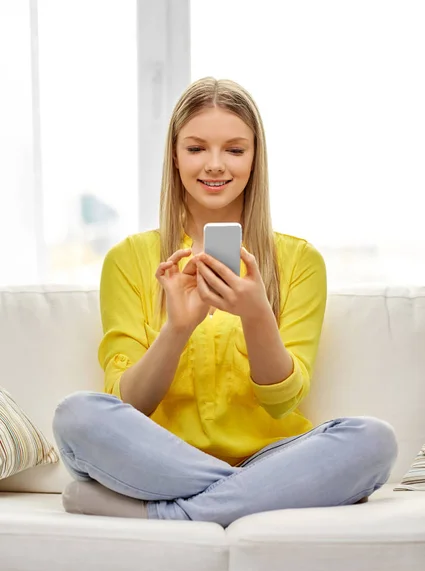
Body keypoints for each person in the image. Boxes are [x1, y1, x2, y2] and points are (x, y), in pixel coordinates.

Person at [52, 77, 398, 527]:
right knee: (77, 415)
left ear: (256, 159)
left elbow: (282, 404)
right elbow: (129, 406)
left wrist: (256, 314)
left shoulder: (299, 261)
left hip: (272, 458)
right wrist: (177, 328)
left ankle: (171, 513)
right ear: (174, 158)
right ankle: (242, 499)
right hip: (160, 461)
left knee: (374, 441)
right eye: (196, 148)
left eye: (235, 150)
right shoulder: (129, 259)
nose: (215, 165)